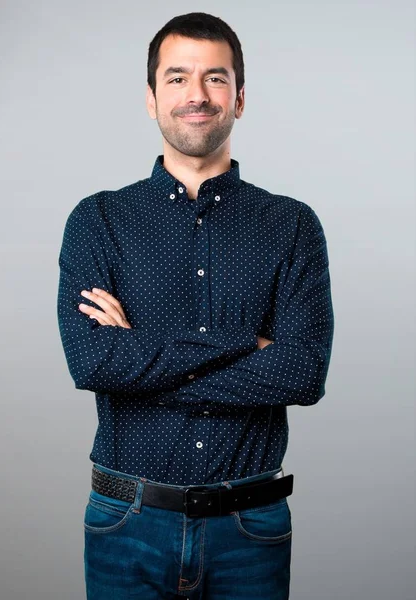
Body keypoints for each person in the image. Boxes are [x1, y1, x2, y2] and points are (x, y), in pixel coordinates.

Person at [57, 11, 334, 600]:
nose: (197, 95)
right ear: (152, 98)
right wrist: (246, 343)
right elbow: (94, 364)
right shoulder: (98, 221)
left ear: (238, 99)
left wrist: (142, 357)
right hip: (126, 521)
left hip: (250, 526)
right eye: (178, 78)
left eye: (216, 78)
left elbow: (304, 373)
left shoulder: (291, 225)